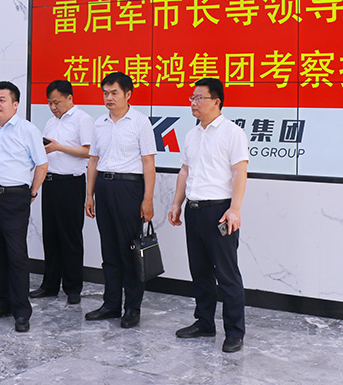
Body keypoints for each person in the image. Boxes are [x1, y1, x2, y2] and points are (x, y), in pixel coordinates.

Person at [168, 77, 249, 353]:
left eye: (199, 98)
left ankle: (235, 331)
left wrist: (234, 209)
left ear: (216, 101)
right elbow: (185, 171)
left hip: (219, 212)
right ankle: (204, 322)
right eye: (192, 98)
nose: (193, 102)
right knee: (200, 271)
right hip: (194, 210)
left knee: (227, 274)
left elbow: (240, 172)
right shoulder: (192, 135)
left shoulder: (232, 132)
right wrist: (177, 203)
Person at [84, 72, 156, 329]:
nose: (109, 98)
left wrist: (148, 198)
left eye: (114, 93)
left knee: (130, 250)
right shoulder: (99, 123)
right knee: (109, 249)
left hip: (129, 188)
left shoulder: (140, 122)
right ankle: (111, 304)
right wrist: (89, 195)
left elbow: (148, 162)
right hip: (104, 187)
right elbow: (93, 160)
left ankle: (132, 308)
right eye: (105, 93)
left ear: (128, 94)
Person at [0, 81, 48, 333]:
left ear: (15, 104)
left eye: (2, 100)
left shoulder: (27, 130)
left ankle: (21, 311)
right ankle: (4, 302)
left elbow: (42, 164)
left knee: (16, 255)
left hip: (15, 197)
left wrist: (32, 192)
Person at [31, 79, 93, 305]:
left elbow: (89, 152)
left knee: (70, 237)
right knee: (51, 236)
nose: (53, 107)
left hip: (71, 184)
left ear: (70, 98)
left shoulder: (82, 119)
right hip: (50, 183)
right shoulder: (50, 122)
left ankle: (73, 287)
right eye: (49, 103)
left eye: (56, 102)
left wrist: (59, 147)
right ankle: (50, 285)